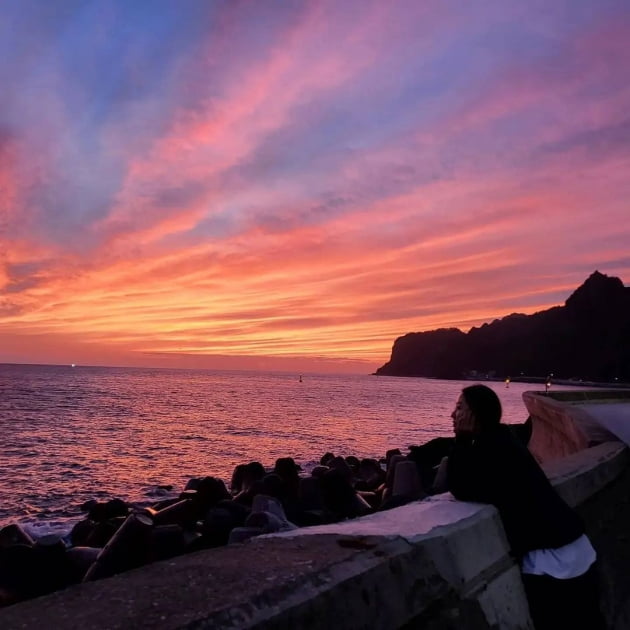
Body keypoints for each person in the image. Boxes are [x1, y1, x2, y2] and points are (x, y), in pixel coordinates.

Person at [446, 384, 603, 629]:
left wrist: (462, 440)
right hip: (574, 548)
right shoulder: (505, 440)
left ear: (477, 414)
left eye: (459, 408)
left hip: (552, 562)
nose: (453, 415)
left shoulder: (492, 450)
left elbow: (460, 485)